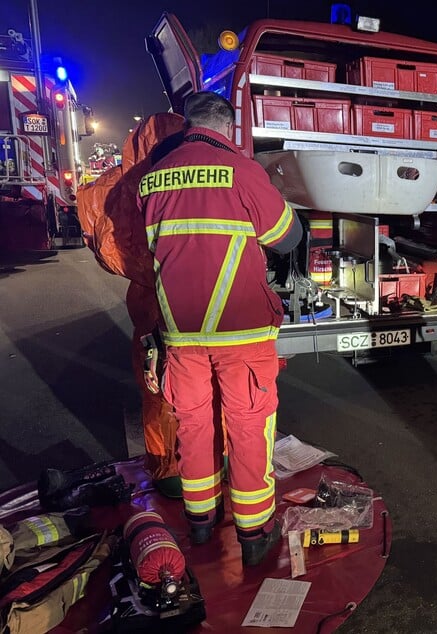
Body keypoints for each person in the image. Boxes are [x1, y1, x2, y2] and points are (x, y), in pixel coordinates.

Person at [137, 91, 302, 567]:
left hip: (181, 332)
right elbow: (286, 236)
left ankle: (201, 524)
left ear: (187, 124)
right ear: (228, 128)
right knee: (248, 426)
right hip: (241, 331)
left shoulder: (153, 180)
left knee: (194, 424)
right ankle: (254, 533)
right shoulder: (243, 172)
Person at [76, 112, 187, 499]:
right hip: (191, 300)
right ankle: (204, 461)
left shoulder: (117, 188)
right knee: (199, 386)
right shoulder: (190, 177)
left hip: (150, 302)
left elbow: (107, 250)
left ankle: (168, 468)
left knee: (158, 387)